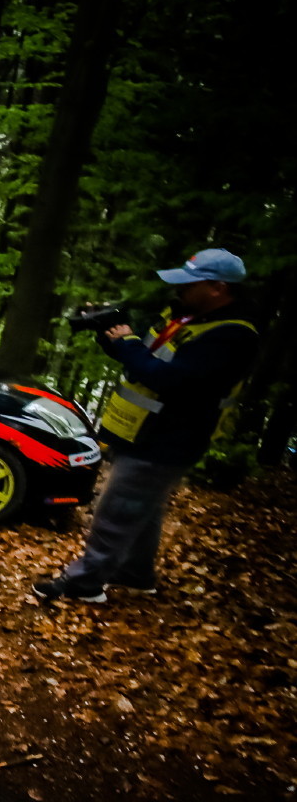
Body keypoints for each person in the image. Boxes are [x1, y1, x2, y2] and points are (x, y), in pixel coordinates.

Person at [33, 249, 260, 603]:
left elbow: (171, 380)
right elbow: (140, 362)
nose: (180, 289)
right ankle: (134, 574)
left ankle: (84, 583)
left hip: (168, 438)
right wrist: (110, 335)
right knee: (144, 508)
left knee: (116, 510)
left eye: (191, 284)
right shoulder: (185, 317)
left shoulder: (232, 335)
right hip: (142, 432)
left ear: (218, 288)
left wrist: (128, 344)